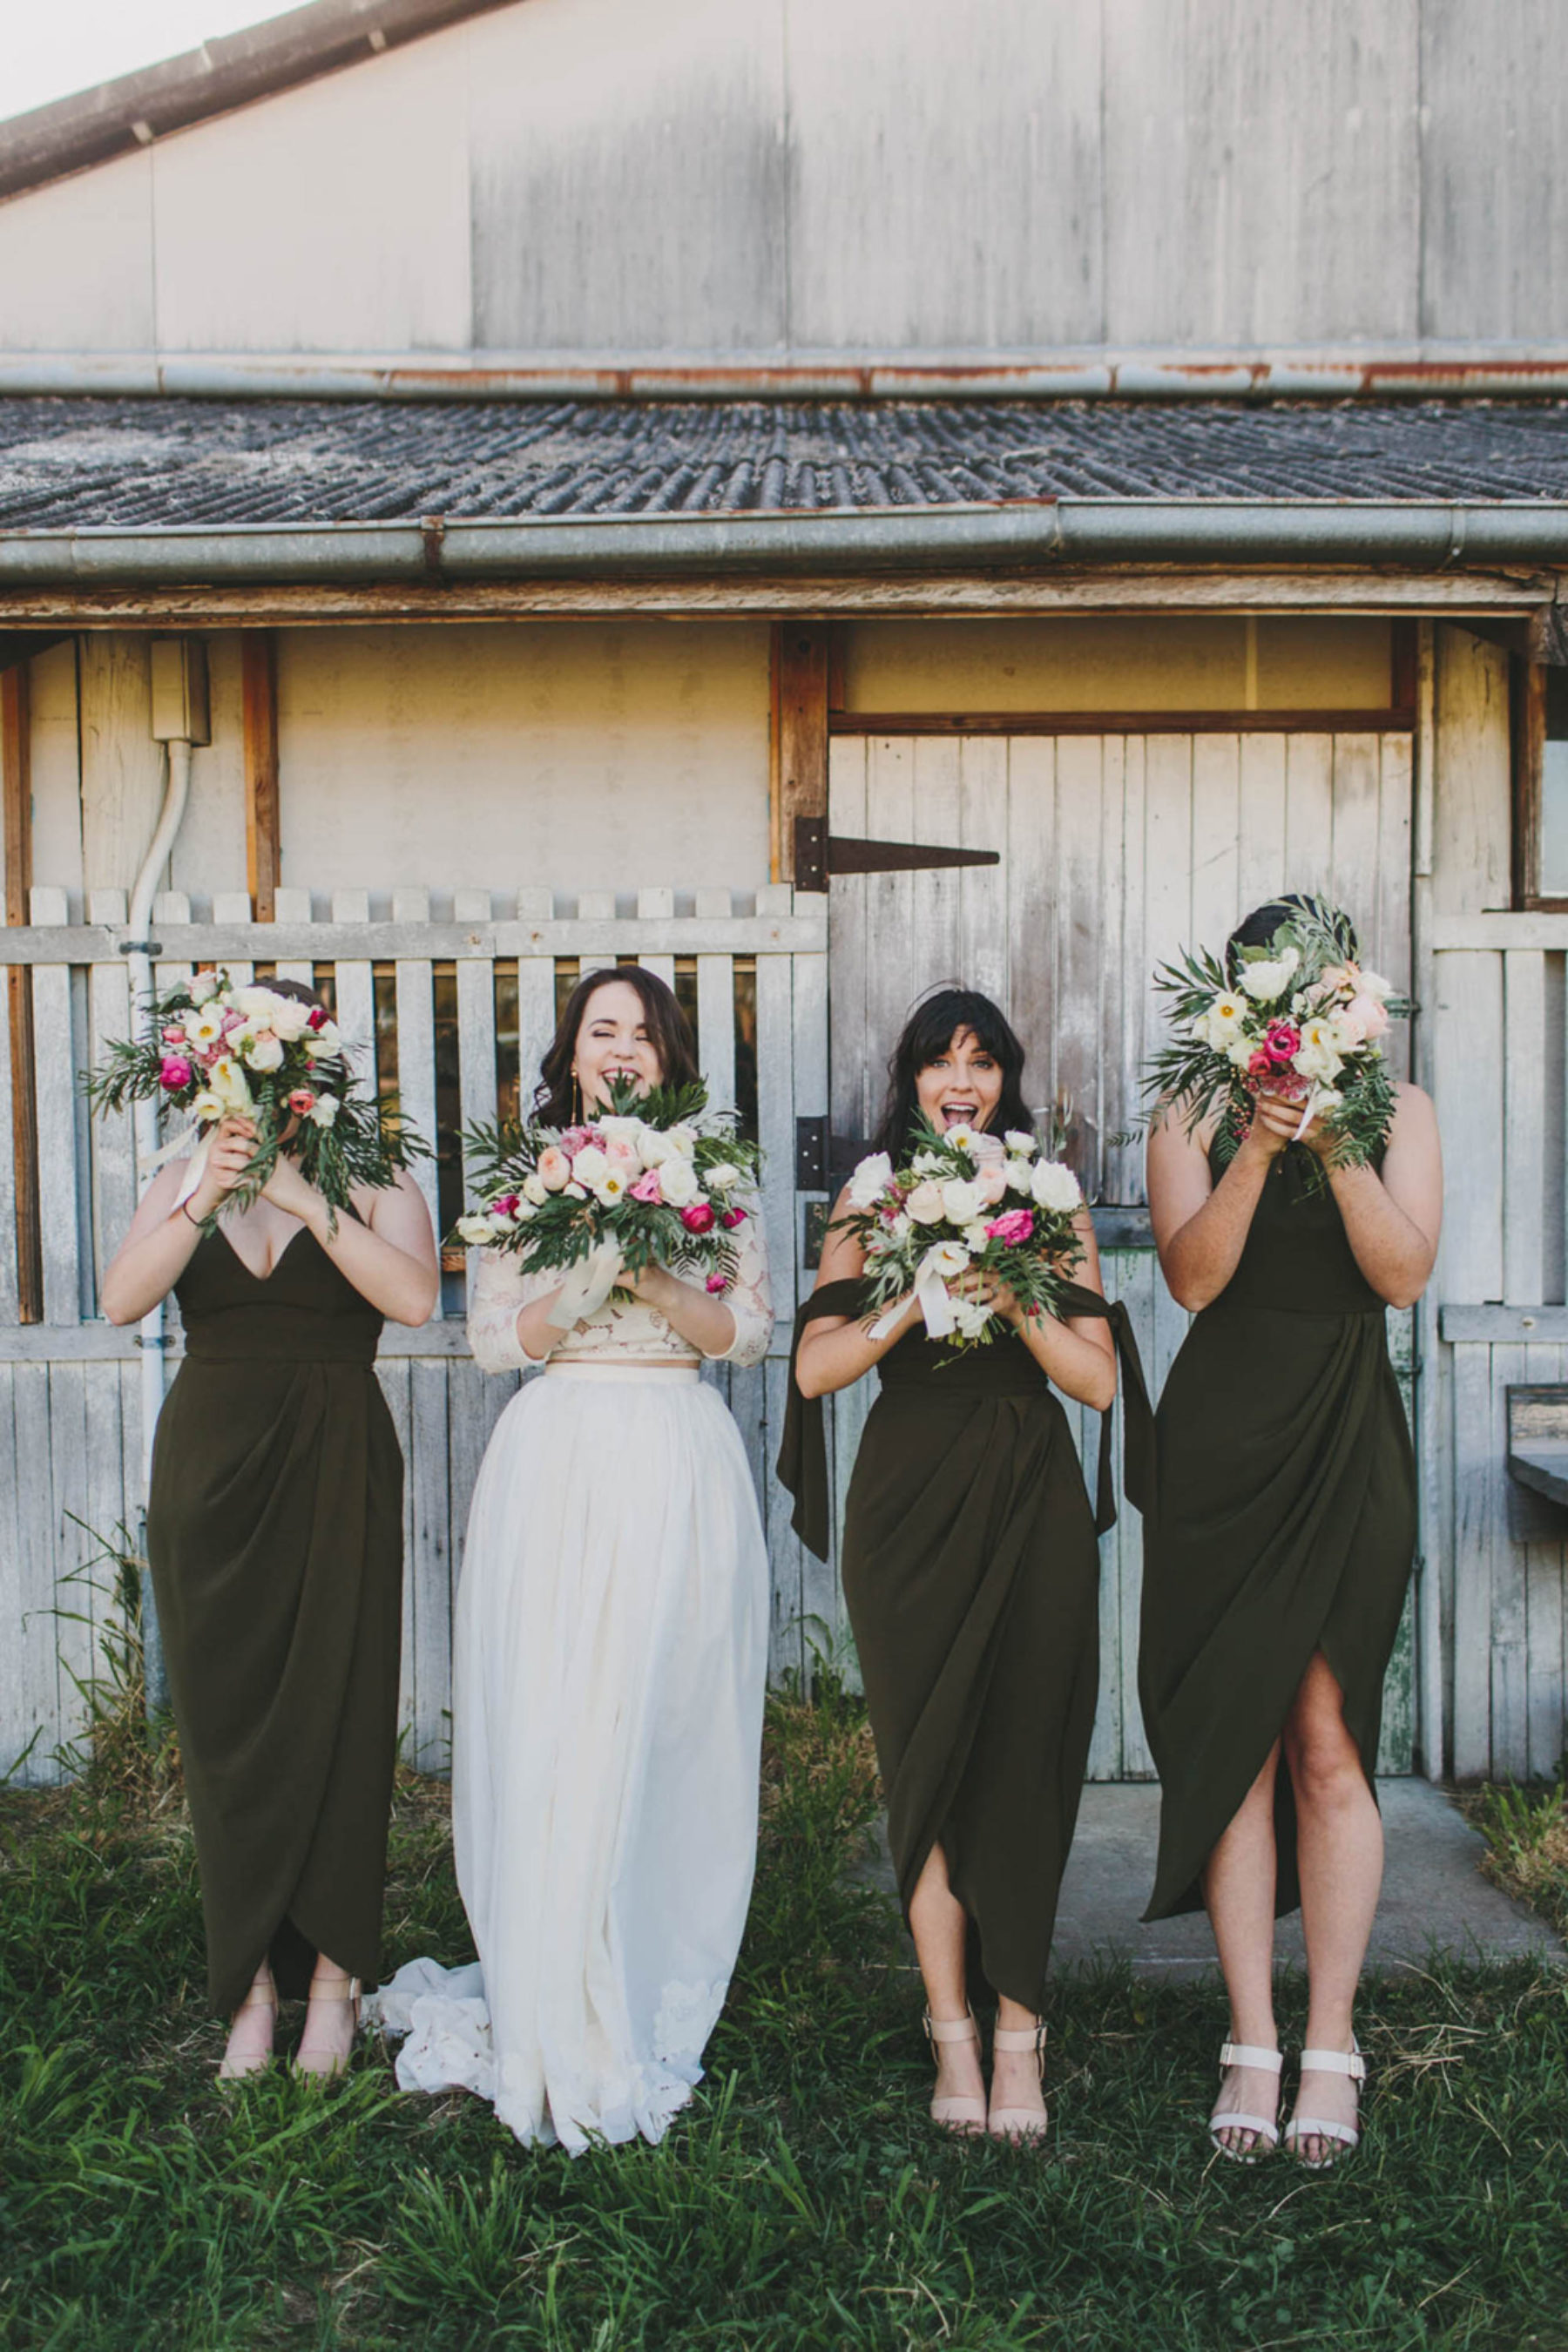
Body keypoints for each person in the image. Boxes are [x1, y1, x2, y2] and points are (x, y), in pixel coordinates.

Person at [377, 966, 772, 2153]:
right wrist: (584, 1265)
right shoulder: (523, 1175)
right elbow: (496, 1343)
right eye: (604, 1029)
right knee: (558, 1714)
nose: (624, 1048)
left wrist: (648, 1267)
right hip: (560, 1455)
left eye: (644, 1034)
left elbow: (747, 1331)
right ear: (572, 1051)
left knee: (668, 1714)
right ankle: (551, 1973)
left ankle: (646, 1958)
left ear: (670, 1057)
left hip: (676, 1445)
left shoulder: (718, 1175)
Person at [780, 989, 1151, 2143]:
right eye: (944, 1058)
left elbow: (1095, 1383)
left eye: (985, 1061)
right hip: (909, 1497)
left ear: (1005, 1084)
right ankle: (951, 2028)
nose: (965, 1077)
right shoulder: (869, 1195)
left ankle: (1020, 2036)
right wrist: (910, 1296)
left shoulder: (1051, 1196)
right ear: (911, 1080)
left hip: (1026, 1483)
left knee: (1027, 1753)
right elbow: (813, 1371)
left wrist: (1011, 1292)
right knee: (927, 1764)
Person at [1140, 900, 1442, 2169]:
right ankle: (1250, 2040)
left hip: (1346, 1433)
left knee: (1327, 1736)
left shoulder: (1401, 1109)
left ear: (1347, 1003)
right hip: (1222, 1447)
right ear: (1244, 1009)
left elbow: (1403, 1274)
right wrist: (1259, 1150)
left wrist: (1332, 1145)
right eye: (1279, 995)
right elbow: (1193, 1279)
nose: (1301, 1013)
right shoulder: (1191, 1114)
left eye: (1324, 992)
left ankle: (1333, 2042)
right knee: (1239, 1739)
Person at [102, 980, 439, 2080]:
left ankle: (334, 1981)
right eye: (247, 1067)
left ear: (318, 1076)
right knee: (228, 1721)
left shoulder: (376, 1176)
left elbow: (414, 1300)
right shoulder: (179, 1177)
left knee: (341, 1714)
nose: (271, 1088)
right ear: (212, 1076)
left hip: (338, 1465)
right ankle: (249, 1982)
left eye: (291, 1067)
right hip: (212, 1472)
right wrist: (208, 1193)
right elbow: (120, 1301)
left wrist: (302, 1197)